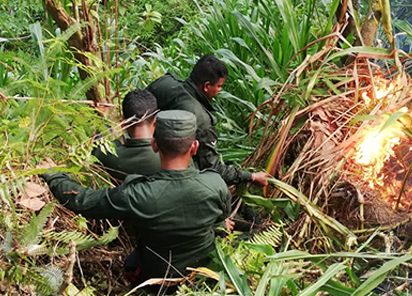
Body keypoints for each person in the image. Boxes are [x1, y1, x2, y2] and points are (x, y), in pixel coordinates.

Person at [43, 110, 231, 284]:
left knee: (131, 263)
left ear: (155, 145)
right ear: (195, 147)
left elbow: (81, 201)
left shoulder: (136, 193)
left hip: (156, 277)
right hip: (205, 274)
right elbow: (221, 218)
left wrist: (55, 175)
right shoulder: (216, 184)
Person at [147, 55, 270, 187]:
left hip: (147, 152)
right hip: (169, 175)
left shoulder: (164, 82)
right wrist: (251, 176)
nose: (220, 90)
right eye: (219, 86)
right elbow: (213, 169)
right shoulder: (201, 120)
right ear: (206, 86)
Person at [91, 89, 160, 183]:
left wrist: (104, 118)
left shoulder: (107, 157)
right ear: (155, 121)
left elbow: (99, 146)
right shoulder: (167, 157)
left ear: (123, 123)